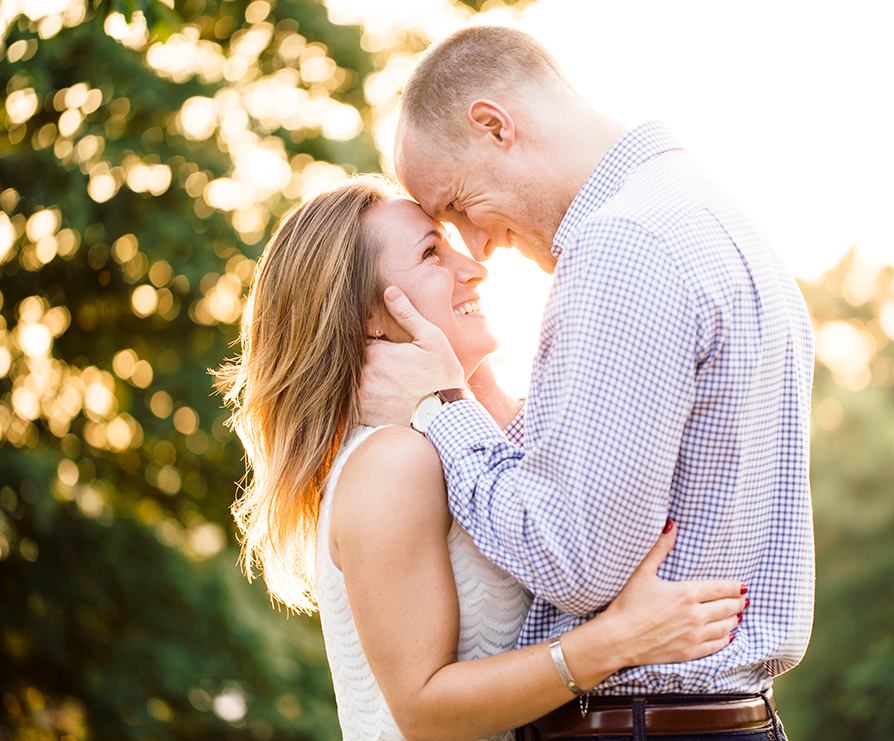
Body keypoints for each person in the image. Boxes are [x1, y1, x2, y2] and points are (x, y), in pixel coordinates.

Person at [359, 26, 816, 740]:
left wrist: (442, 406)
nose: (474, 247)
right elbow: (598, 480)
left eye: (457, 207)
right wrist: (469, 386)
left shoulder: (621, 245)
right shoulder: (697, 207)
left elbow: (572, 562)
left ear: (493, 126)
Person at [216, 174, 747, 741]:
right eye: (430, 253)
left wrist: (472, 389)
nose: (473, 267)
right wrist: (617, 640)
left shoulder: (449, 440)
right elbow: (423, 711)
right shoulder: (393, 461)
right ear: (365, 316)